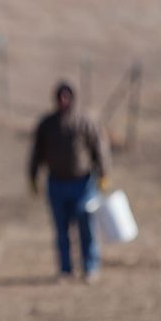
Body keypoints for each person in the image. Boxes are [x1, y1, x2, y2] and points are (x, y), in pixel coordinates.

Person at [28, 81, 111, 284]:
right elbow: (36, 153)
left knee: (86, 228)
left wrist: (104, 174)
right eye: (60, 97)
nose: (63, 100)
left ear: (73, 98)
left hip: (83, 184)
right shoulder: (47, 124)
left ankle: (90, 268)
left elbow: (99, 148)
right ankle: (66, 270)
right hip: (56, 184)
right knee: (61, 231)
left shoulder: (85, 121)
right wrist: (33, 177)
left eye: (67, 96)